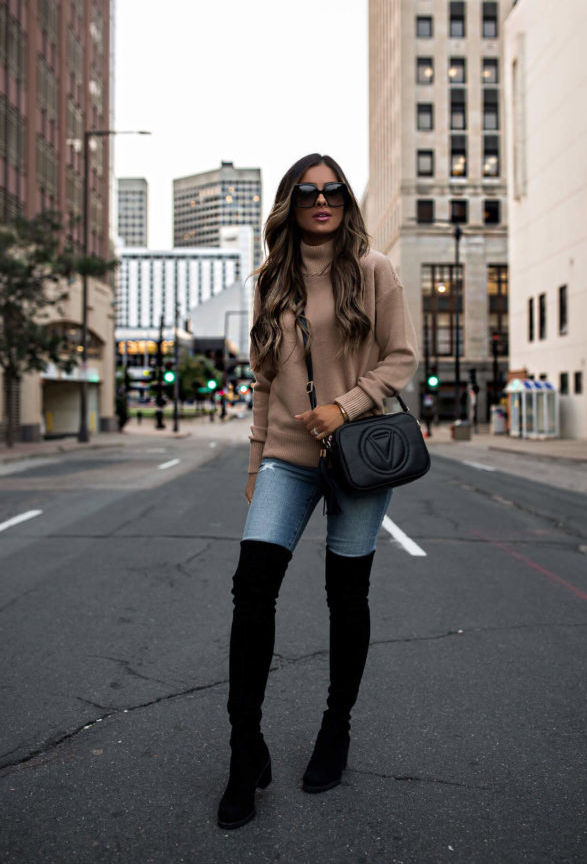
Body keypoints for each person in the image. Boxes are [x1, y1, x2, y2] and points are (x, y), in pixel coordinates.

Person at [217, 153, 418, 829]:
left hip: (358, 455)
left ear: (345, 201)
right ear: (291, 202)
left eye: (333, 191)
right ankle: (245, 749)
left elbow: (400, 356)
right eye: (308, 191)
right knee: (252, 589)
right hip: (286, 457)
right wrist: (255, 462)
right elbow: (263, 380)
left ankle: (337, 727)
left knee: (346, 594)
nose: (322, 200)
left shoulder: (373, 269)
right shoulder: (271, 280)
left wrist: (346, 405)